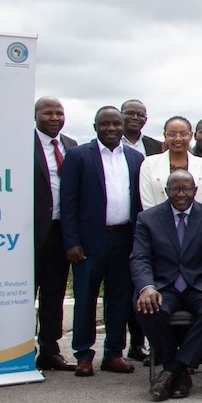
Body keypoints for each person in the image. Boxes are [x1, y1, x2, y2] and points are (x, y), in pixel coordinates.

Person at [131, 171, 202, 401]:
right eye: (175, 189)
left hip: (199, 287)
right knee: (147, 307)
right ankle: (180, 372)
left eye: (186, 188)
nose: (181, 194)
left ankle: (171, 371)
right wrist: (147, 287)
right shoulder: (148, 218)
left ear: (195, 191)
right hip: (163, 287)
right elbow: (140, 258)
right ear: (166, 191)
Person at [60, 105, 145, 377]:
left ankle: (113, 353)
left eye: (116, 124)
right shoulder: (78, 156)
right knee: (85, 297)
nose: (111, 128)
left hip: (125, 239)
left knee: (119, 299)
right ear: (95, 127)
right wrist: (71, 242)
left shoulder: (135, 158)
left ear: (123, 127)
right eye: (105, 124)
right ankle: (84, 355)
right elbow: (68, 202)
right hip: (89, 242)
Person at [33, 96, 79, 371]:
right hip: (31, 232)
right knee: (26, 293)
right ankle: (21, 351)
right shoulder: (21, 144)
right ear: (35, 116)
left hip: (62, 231)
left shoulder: (71, 146)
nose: (54, 118)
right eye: (47, 113)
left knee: (54, 293)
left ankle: (49, 351)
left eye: (59, 113)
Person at [139, 116, 202, 209]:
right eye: (172, 134)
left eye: (183, 134)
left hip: (200, 218)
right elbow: (148, 206)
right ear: (165, 135)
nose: (178, 139)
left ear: (191, 135)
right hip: (156, 218)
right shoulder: (149, 164)